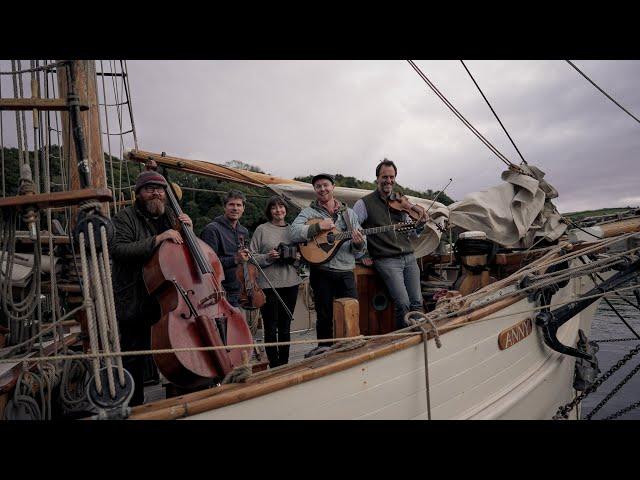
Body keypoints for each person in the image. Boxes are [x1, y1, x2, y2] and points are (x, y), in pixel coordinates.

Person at [110, 170, 192, 406]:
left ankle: (183, 392)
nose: (156, 193)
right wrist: (158, 239)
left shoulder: (170, 215)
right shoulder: (124, 217)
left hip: (166, 297)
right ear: (139, 194)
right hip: (134, 297)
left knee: (175, 347)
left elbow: (183, 254)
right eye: (149, 189)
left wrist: (188, 230)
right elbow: (118, 249)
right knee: (134, 355)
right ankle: (135, 405)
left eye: (160, 189)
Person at [290, 173, 366, 347]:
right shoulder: (308, 213)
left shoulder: (349, 214)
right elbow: (293, 232)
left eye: (326, 185)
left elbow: (360, 251)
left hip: (346, 271)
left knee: (351, 311)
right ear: (315, 190)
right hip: (321, 271)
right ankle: (324, 351)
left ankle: (351, 347)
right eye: (318, 186)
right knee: (324, 316)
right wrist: (318, 226)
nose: (322, 189)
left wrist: (359, 243)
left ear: (333, 187)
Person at [353, 159, 427, 329]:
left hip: (409, 257)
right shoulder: (364, 203)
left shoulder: (402, 202)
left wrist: (421, 223)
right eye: (384, 177)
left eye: (392, 177)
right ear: (377, 178)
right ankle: (401, 340)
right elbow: (354, 231)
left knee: (417, 302)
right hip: (386, 260)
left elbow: (413, 232)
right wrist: (363, 254)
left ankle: (416, 335)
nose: (389, 181)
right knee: (403, 302)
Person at [249, 196, 302, 367]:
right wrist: (268, 256)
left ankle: (284, 364)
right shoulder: (261, 230)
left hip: (291, 284)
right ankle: (274, 365)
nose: (278, 210)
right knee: (270, 328)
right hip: (268, 285)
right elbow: (251, 257)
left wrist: (296, 258)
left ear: (286, 209)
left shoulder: (294, 230)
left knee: (285, 326)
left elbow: (305, 256)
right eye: (274, 208)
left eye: (281, 207)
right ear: (269, 211)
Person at [200, 190, 249, 308]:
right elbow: (207, 264)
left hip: (241, 290)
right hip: (221, 291)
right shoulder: (212, 229)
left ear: (243, 208)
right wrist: (235, 259)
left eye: (238, 205)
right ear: (224, 207)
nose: (235, 208)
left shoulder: (244, 231)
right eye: (231, 204)